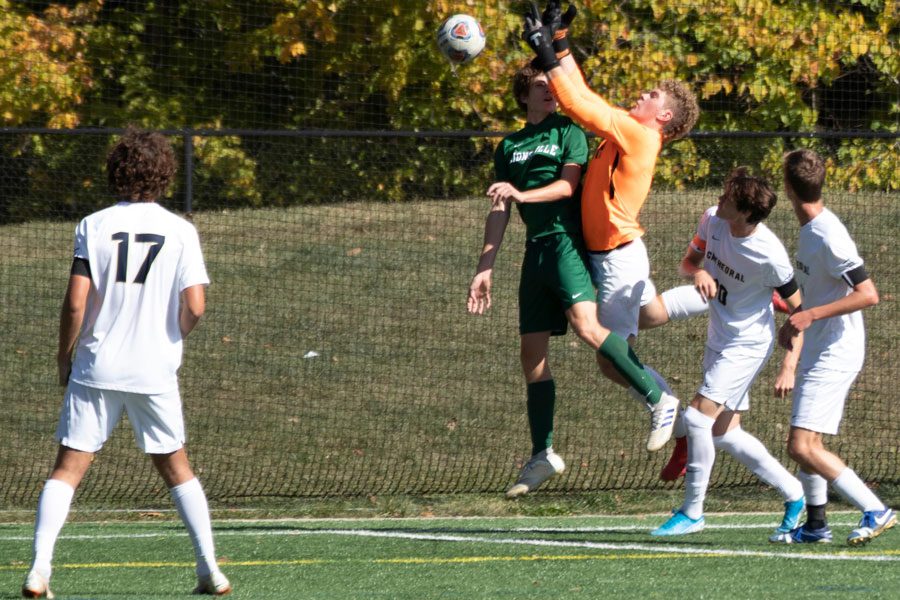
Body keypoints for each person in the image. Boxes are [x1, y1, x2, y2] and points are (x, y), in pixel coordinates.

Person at [21, 129, 231, 598]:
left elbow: (76, 303)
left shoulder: (92, 225)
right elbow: (195, 306)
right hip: (153, 370)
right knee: (177, 468)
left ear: (115, 171)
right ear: (164, 175)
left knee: (67, 469)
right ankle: (209, 570)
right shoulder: (182, 231)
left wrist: (63, 356)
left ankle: (39, 571)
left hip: (96, 367)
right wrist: (169, 338)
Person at [468, 64, 681, 499]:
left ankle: (658, 398)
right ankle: (542, 453)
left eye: (551, 86)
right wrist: (484, 266)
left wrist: (522, 194)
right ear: (523, 95)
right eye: (540, 88)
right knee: (531, 356)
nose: (549, 93)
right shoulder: (509, 146)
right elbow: (499, 207)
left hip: (567, 244)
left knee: (588, 328)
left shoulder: (568, 132)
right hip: (536, 252)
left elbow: (567, 188)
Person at [521, 2, 699, 433]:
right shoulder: (633, 128)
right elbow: (584, 95)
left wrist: (548, 53)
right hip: (619, 254)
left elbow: (580, 107)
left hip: (617, 259)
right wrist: (559, 42)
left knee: (609, 360)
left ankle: (670, 411)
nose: (644, 94)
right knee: (651, 312)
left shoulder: (639, 133)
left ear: (664, 117)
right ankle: (723, 292)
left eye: (653, 96)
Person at [650, 168, 806, 537]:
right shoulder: (712, 219)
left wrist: (790, 364)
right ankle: (794, 493)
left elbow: (801, 311)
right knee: (724, 433)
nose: (718, 200)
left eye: (727, 198)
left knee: (698, 419)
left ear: (746, 212)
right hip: (719, 335)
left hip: (748, 344)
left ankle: (692, 513)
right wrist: (697, 273)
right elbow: (688, 262)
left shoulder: (770, 255)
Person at [770, 149, 895, 545]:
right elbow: (819, 293)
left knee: (800, 445)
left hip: (837, 351)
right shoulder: (810, 231)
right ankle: (816, 526)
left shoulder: (829, 234)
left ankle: (876, 509)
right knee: (810, 443)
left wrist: (810, 316)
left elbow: (869, 294)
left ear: (788, 188)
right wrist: (798, 323)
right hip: (819, 345)